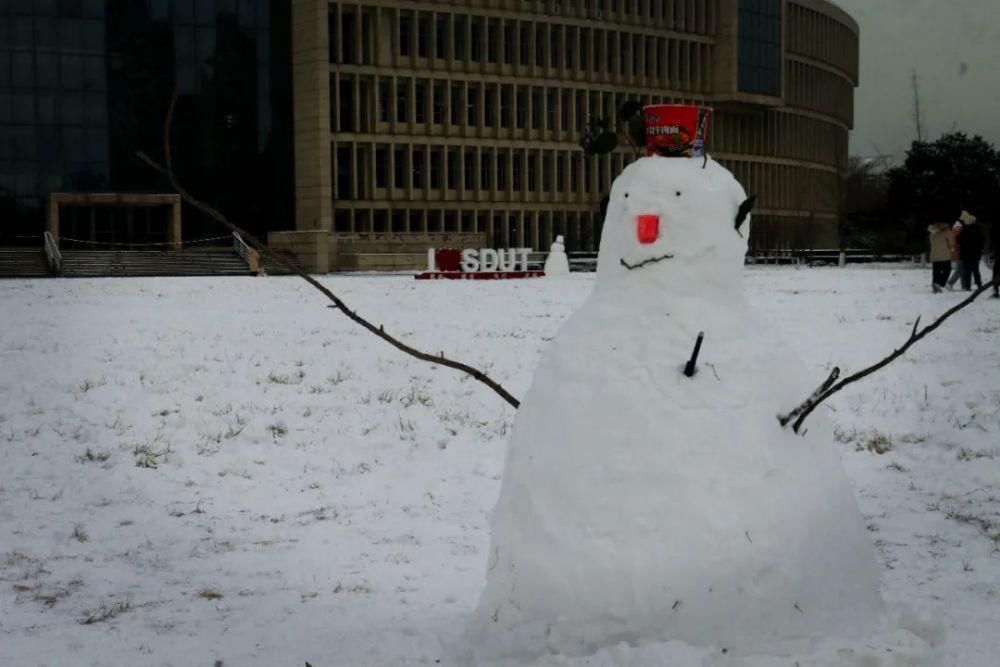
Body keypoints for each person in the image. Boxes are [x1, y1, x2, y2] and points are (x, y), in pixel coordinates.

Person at [957, 210, 984, 290]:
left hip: (966, 253)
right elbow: (982, 241)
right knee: (976, 270)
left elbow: (958, 240)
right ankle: (979, 284)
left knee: (967, 271)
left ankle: (968, 285)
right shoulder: (978, 230)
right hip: (975, 253)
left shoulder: (965, 230)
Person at [927, 221, 952, 292]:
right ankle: (941, 283)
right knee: (947, 270)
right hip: (945, 255)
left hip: (935, 255)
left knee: (936, 271)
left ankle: (935, 283)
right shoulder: (947, 233)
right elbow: (950, 244)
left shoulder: (931, 233)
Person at [945, 218, 964, 289]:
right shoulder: (958, 231)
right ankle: (950, 283)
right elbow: (956, 242)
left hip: (956, 252)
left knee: (961, 269)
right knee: (960, 269)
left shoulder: (954, 230)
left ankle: (963, 284)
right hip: (959, 252)